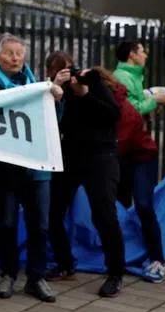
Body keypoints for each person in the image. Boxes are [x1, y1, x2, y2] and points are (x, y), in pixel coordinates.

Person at [0, 34, 61, 303]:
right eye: (10, 53)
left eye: (19, 53)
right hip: (6, 169)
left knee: (41, 225)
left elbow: (54, 122)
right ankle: (8, 274)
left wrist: (57, 100)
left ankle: (36, 278)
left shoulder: (38, 87)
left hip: (37, 167)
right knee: (8, 223)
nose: (15, 58)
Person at [44, 54, 126, 297]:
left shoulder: (93, 83)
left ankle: (115, 273)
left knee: (104, 215)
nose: (68, 75)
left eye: (68, 70)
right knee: (53, 211)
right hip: (71, 156)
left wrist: (86, 94)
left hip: (101, 157)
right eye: (59, 72)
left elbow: (112, 115)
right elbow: (52, 122)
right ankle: (65, 262)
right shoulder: (57, 91)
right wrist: (56, 90)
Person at [111, 41, 165, 283]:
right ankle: (154, 259)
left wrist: (150, 100)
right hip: (133, 151)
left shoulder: (132, 75)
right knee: (140, 204)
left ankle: (141, 256)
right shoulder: (121, 75)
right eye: (143, 50)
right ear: (132, 55)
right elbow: (131, 109)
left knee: (129, 204)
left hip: (136, 150)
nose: (146, 54)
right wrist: (156, 100)